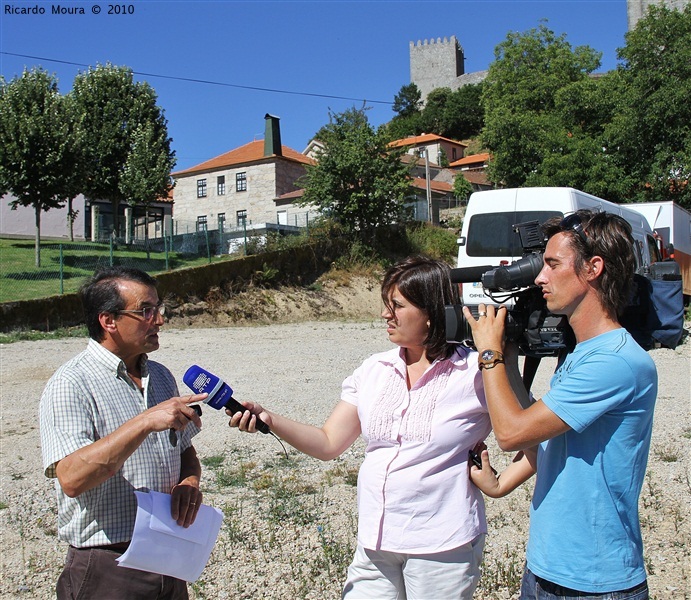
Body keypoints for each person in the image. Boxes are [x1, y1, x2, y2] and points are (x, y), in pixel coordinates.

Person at [229, 255, 491, 599]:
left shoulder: (476, 372)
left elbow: (532, 433)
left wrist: (500, 485)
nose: (385, 314)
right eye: (386, 304)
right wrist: (270, 419)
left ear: (431, 312)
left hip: (442, 546)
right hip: (374, 543)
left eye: (396, 305)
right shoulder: (374, 369)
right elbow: (328, 443)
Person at [464, 210, 657, 600]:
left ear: (593, 269)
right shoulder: (582, 354)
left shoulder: (615, 362)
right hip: (546, 568)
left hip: (595, 583)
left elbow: (511, 432)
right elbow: (542, 431)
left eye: (552, 264)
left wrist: (489, 354)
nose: (539, 277)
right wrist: (510, 356)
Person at [39, 266, 207, 600]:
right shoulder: (71, 384)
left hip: (168, 555)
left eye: (157, 309)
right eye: (146, 311)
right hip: (108, 568)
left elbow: (185, 451)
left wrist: (189, 482)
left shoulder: (159, 376)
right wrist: (144, 422)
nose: (159, 320)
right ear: (109, 321)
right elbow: (71, 478)